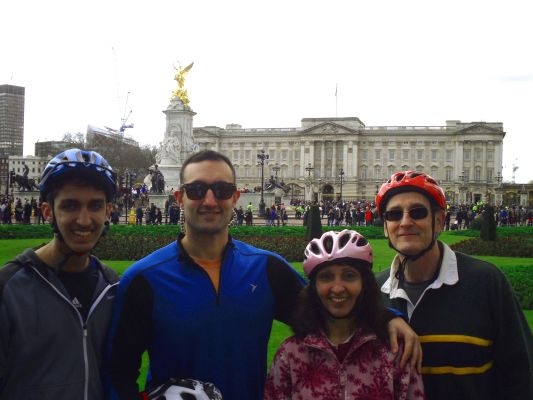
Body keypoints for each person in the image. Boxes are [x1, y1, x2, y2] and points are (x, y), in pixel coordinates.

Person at [106, 150, 421, 400]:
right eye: (197, 190)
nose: (210, 200)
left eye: (223, 189)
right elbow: (118, 372)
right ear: (179, 198)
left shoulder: (266, 268)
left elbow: (329, 307)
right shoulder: (144, 278)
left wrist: (388, 318)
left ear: (235, 198)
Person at [375, 170, 533, 400]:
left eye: (418, 212)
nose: (405, 222)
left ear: (439, 221)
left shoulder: (487, 281)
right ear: (385, 226)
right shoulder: (372, 291)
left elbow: (521, 378)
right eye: (394, 214)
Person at [0, 148, 119, 399]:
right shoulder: (7, 288)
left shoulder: (115, 288)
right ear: (47, 211)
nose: (84, 220)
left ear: (108, 211)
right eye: (70, 206)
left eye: (95, 206)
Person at [265, 229, 425, 399]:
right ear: (314, 288)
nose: (338, 288)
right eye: (326, 277)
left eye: (349, 276)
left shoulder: (393, 351)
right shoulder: (290, 355)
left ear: (365, 284)